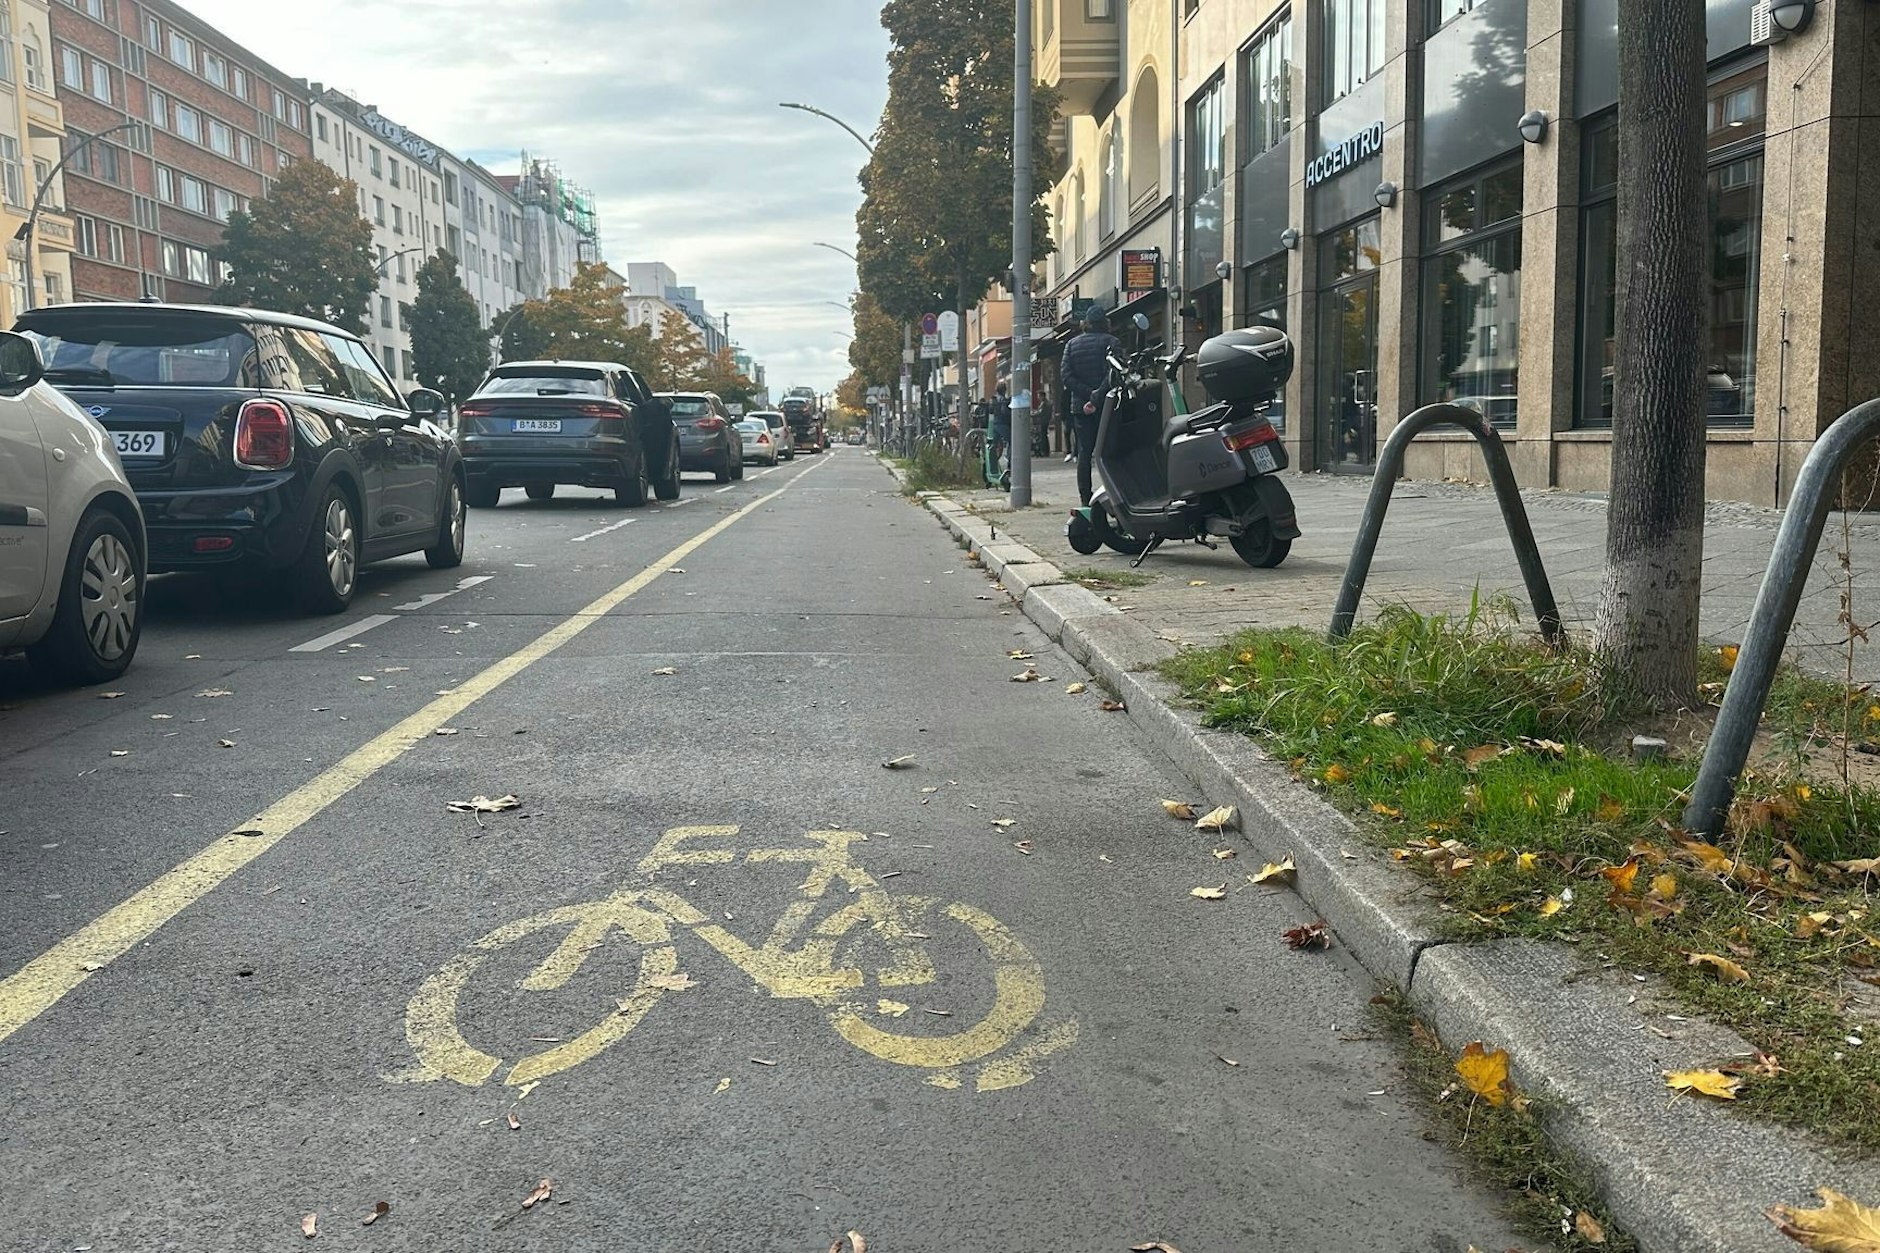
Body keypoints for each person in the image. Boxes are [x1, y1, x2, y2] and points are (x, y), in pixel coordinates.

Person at [1060, 308, 1123, 505]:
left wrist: (1087, 395)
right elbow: (1117, 372)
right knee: (1111, 451)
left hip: (1081, 407)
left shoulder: (1071, 345)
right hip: (1108, 404)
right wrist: (1098, 394)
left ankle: (1085, 498)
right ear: (1105, 322)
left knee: (1084, 453)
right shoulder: (1112, 342)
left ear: (1085, 323)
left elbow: (1066, 376)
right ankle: (1116, 495)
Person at [988, 384, 1011, 477]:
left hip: (994, 424)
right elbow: (1005, 412)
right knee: (1012, 442)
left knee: (992, 445)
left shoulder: (993, 399)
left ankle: (990, 466)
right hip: (1002, 424)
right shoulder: (1003, 400)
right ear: (1004, 390)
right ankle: (1009, 463)